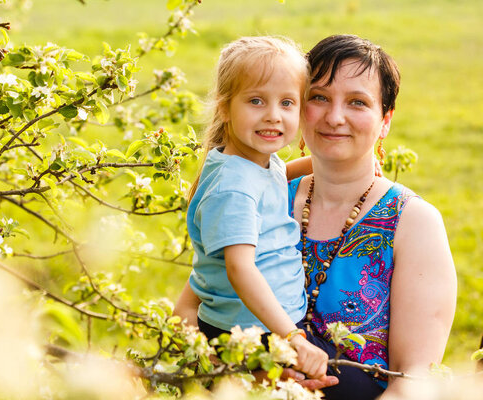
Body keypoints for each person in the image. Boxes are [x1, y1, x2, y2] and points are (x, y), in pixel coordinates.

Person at [174, 34, 457, 400]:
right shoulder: (268, 194)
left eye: (357, 102)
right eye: (319, 97)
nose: (335, 117)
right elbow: (189, 308)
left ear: (385, 120)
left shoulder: (412, 223)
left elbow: (414, 381)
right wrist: (245, 378)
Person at [184, 35, 328, 379]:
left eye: (287, 103)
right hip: (248, 330)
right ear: (224, 107)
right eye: (256, 101)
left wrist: (320, 161)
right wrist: (291, 336)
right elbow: (240, 269)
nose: (273, 116)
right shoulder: (233, 188)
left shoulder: (256, 161)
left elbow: (275, 178)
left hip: (264, 322)